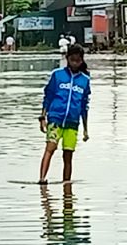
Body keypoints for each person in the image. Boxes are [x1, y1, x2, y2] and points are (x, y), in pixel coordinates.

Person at [39, 44, 91, 184]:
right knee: (50, 148)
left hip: (72, 123)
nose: (75, 63)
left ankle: (66, 186)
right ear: (67, 59)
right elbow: (48, 96)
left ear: (81, 61)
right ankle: (42, 179)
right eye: (72, 60)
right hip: (55, 119)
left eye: (78, 60)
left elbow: (84, 106)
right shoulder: (57, 75)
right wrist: (42, 117)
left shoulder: (85, 81)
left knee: (68, 156)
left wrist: (85, 129)